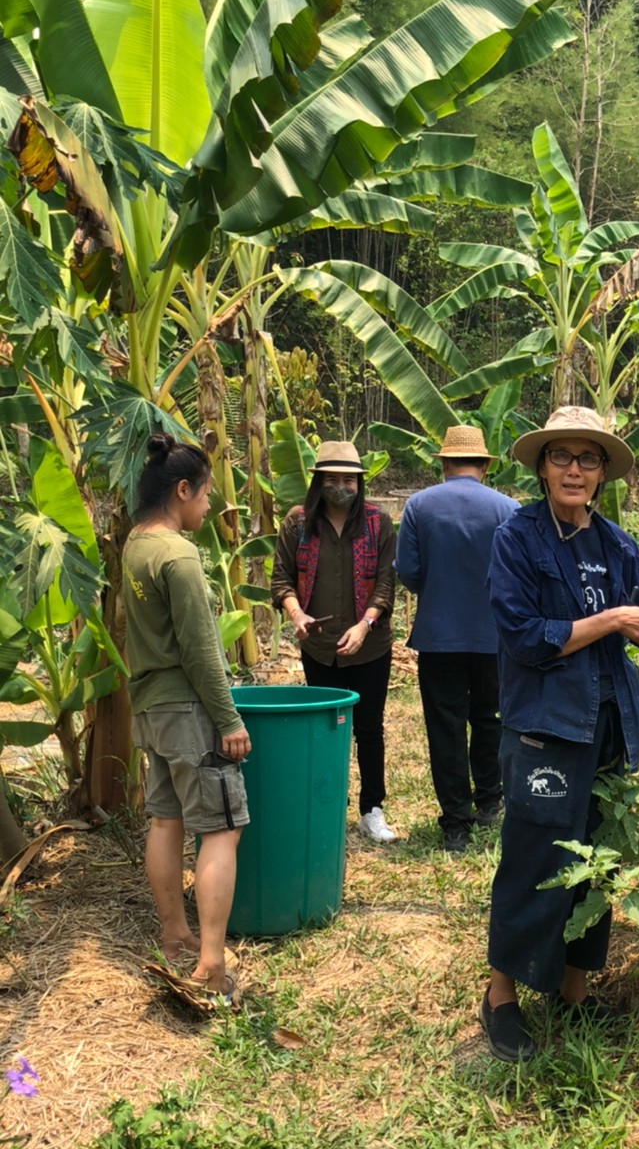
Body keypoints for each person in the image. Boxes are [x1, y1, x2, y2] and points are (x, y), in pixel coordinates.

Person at [480, 405, 639, 1061]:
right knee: (535, 857)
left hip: (609, 725)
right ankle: (501, 995)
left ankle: (573, 991)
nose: (573, 469)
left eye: (586, 459)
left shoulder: (615, 545)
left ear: (601, 474)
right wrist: (609, 621)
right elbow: (523, 636)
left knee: (598, 858)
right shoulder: (518, 537)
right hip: (545, 726)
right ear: (541, 467)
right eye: (560, 456)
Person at [122, 434, 250, 1003]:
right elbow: (201, 649)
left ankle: (175, 937)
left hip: (149, 708)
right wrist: (228, 720)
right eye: (205, 498)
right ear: (182, 491)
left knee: (166, 821)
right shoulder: (178, 554)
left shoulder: (135, 546)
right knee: (222, 828)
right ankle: (211, 963)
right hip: (188, 711)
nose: (208, 509)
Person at [395, 424, 518, 853]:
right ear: (485, 464)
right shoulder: (508, 508)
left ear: (444, 463)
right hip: (495, 636)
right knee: (491, 720)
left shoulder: (419, 505)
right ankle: (489, 800)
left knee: (445, 727)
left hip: (438, 636)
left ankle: (455, 823)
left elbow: (408, 571)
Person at [271, 441, 398, 841]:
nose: (342, 486)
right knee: (327, 729)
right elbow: (281, 581)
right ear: (318, 482)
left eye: (349, 479)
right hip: (319, 645)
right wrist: (297, 615)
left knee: (370, 728)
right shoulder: (297, 524)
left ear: (360, 482)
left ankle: (371, 809)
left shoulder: (379, 524)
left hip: (371, 646)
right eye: (333, 478)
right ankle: (328, 808)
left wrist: (365, 625)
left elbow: (386, 584)